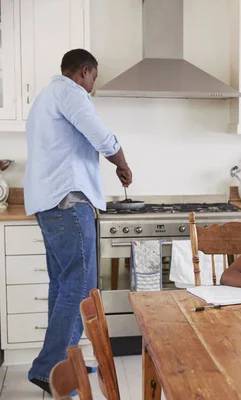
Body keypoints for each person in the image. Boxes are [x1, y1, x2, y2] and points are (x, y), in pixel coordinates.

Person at [24, 49, 132, 394]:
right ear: (84, 72)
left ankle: (60, 364)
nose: (92, 87)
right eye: (94, 79)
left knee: (62, 286)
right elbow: (100, 135)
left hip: (49, 203)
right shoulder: (71, 93)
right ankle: (50, 369)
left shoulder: (43, 99)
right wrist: (122, 162)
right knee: (80, 287)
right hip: (69, 201)